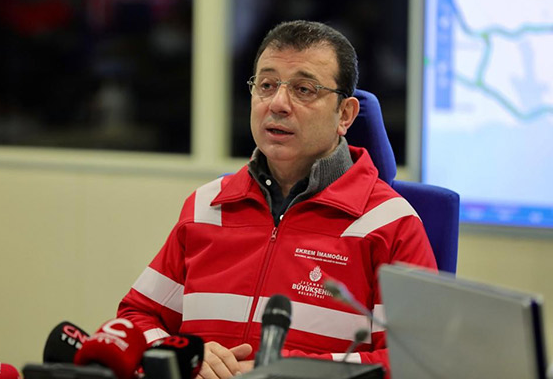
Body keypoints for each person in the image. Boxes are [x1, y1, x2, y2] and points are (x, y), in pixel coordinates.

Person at [117, 20, 437, 379]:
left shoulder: (390, 223)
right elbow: (134, 320)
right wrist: (183, 353)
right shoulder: (207, 206)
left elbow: (420, 363)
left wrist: (292, 372)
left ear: (345, 115)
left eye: (304, 89)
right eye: (267, 85)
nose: (278, 104)